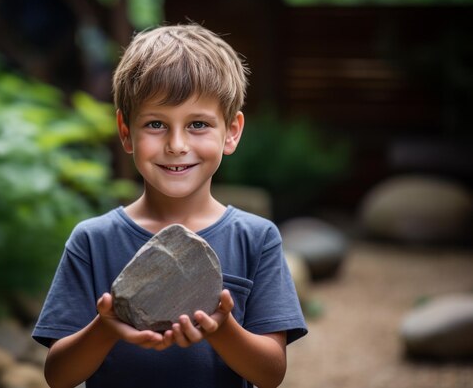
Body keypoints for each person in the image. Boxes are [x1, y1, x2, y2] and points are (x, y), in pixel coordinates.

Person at [32, 23, 308, 388]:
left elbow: (272, 372)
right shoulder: (92, 241)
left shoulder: (256, 238)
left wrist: (222, 329)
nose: (176, 145)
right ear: (126, 132)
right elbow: (58, 375)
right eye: (156, 124)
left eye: (197, 124)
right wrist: (105, 327)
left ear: (232, 132)